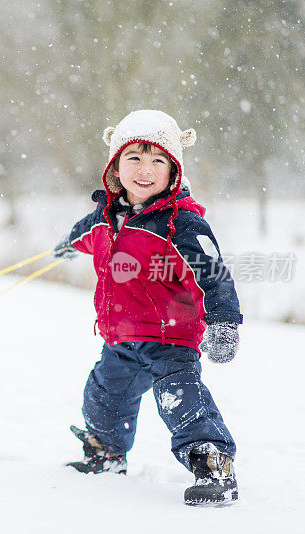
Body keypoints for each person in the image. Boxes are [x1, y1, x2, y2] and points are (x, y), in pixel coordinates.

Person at [52, 110, 242, 506]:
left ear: (173, 171)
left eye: (158, 160)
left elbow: (213, 273)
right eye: (133, 158)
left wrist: (224, 322)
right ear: (115, 166)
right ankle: (105, 453)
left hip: (171, 336)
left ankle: (212, 465)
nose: (145, 169)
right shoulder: (106, 216)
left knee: (181, 399)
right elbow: (86, 233)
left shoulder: (181, 224)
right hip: (121, 336)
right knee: (105, 395)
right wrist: (70, 245)